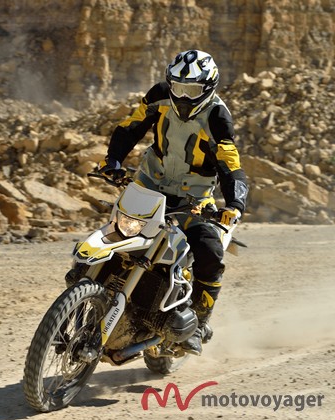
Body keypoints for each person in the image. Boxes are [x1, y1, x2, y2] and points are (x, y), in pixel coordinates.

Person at [98, 49, 249, 355]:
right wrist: (113, 160)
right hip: (149, 184)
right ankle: (89, 286)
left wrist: (235, 205)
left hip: (193, 198)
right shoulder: (159, 96)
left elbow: (230, 165)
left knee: (209, 251)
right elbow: (131, 127)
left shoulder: (217, 117)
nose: (181, 96)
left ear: (208, 89)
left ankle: (200, 322)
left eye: (191, 91)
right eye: (177, 87)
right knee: (117, 233)